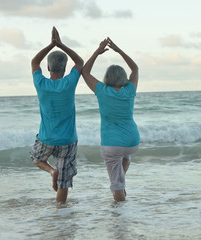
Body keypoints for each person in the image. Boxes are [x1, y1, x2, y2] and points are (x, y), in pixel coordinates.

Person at [30, 27, 84, 204]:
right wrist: (61, 45)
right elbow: (80, 61)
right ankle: (61, 219)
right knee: (63, 184)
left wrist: (50, 45)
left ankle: (52, 171)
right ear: (65, 68)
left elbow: (34, 62)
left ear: (47, 67)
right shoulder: (69, 82)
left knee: (37, 159)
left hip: (47, 138)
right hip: (68, 140)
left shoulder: (41, 83)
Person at [82, 38, 140, 202]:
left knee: (116, 184)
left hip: (112, 144)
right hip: (132, 142)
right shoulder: (130, 89)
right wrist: (118, 50)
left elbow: (85, 72)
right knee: (125, 157)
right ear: (124, 78)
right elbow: (135, 68)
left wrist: (97, 52)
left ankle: (120, 219)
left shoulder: (101, 89)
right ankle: (120, 183)